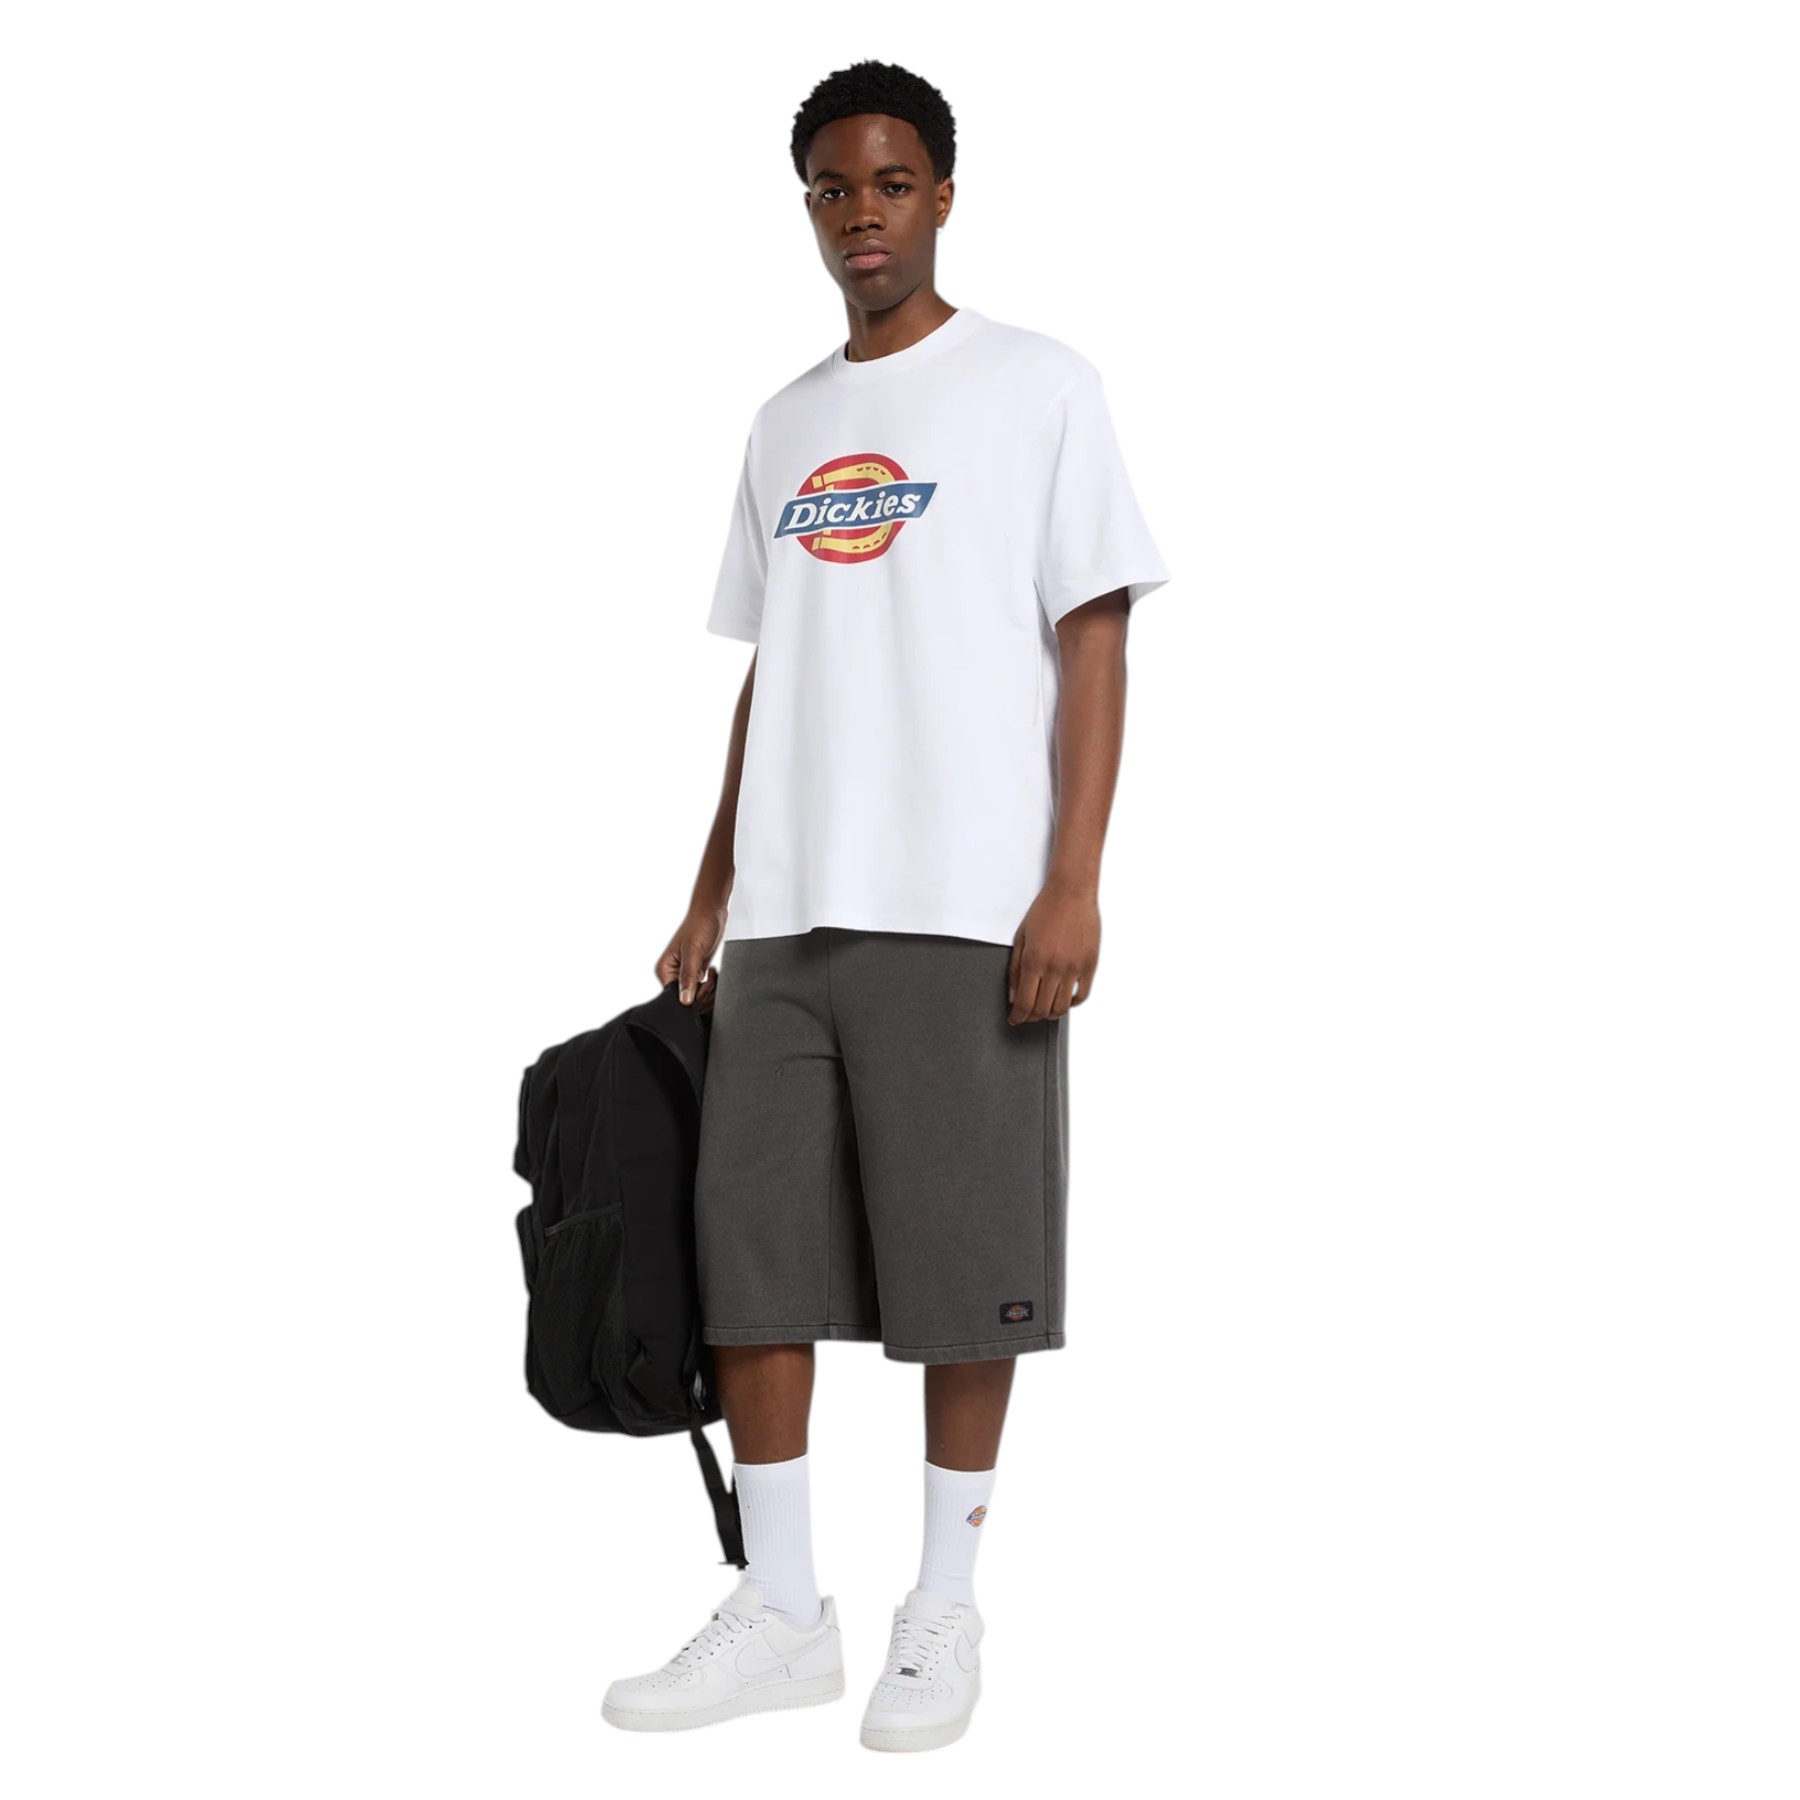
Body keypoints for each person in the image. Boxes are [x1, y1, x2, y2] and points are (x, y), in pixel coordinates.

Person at [603, 59, 1169, 1752]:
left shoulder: (1037, 386)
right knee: (752, 1265)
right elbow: (777, 667)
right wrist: (711, 885)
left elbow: (1093, 637)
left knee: (960, 1266)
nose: (865, 213)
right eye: (835, 188)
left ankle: (946, 1606)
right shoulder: (783, 422)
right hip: (787, 915)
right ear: (810, 209)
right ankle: (783, 1609)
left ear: (944, 196)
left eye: (894, 181)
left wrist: (1073, 880)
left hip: (965, 904)